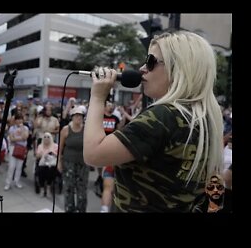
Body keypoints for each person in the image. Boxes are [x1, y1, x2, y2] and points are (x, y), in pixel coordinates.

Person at [84, 31, 224, 212]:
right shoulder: (208, 119)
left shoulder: (163, 116)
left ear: (178, 68)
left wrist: (97, 97)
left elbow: (94, 154)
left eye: (150, 61)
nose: (142, 68)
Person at [58, 106, 88, 212]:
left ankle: (81, 210)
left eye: (81, 116)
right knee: (69, 189)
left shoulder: (86, 129)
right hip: (68, 163)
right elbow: (60, 148)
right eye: (77, 116)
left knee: (82, 191)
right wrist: (59, 162)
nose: (79, 118)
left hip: (83, 164)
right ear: (72, 117)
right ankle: (69, 209)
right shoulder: (66, 130)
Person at [35, 132, 58, 197]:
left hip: (52, 163)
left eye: (48, 137)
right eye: (45, 137)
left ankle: (48, 188)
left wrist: (53, 153)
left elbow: (58, 156)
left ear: (51, 138)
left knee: (51, 170)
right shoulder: (40, 146)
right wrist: (41, 154)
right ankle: (42, 189)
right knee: (41, 170)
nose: (46, 139)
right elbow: (37, 156)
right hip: (42, 163)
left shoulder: (55, 146)